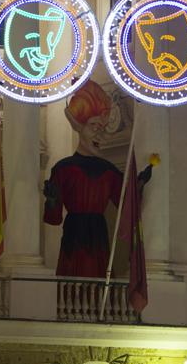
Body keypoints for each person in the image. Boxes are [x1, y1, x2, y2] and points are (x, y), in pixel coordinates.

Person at [43, 79, 152, 278]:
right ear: (79, 127)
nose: (99, 133)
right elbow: (54, 218)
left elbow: (127, 207)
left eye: (102, 127)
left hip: (99, 235)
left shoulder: (109, 171)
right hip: (74, 234)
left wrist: (139, 185)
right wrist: (51, 201)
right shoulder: (63, 169)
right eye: (94, 126)